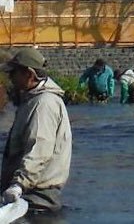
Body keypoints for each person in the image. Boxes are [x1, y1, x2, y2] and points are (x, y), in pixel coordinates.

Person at [0, 47, 72, 214]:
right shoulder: (32, 100)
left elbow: (39, 149)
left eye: (14, 72)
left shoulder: (43, 104)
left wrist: (19, 185)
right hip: (28, 194)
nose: (10, 77)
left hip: (35, 198)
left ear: (29, 74)